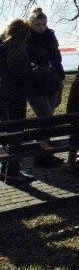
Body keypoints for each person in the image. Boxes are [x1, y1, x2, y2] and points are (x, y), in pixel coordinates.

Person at [0, 18, 38, 183]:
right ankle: (12, 172)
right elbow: (22, 77)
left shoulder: (2, 49)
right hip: (15, 97)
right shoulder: (18, 53)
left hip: (2, 96)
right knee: (15, 135)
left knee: (8, 134)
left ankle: (5, 169)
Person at [27, 7, 66, 119]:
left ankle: (44, 136)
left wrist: (60, 77)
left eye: (43, 24)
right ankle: (43, 136)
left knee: (48, 116)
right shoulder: (27, 39)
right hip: (35, 84)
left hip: (52, 81)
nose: (41, 28)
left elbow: (57, 59)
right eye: (37, 25)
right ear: (31, 24)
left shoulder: (50, 37)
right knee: (46, 116)